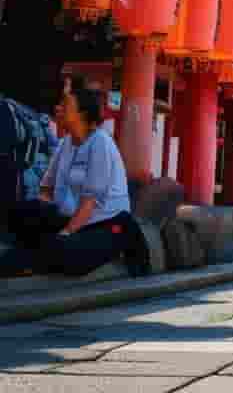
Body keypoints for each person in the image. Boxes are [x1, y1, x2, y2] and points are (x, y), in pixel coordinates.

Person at [0, 79, 133, 277]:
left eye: (66, 106)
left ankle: (22, 262)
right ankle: (27, 256)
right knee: (21, 212)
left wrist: (65, 233)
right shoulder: (65, 144)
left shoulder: (100, 144)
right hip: (72, 219)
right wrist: (40, 216)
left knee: (63, 248)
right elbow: (46, 189)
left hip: (105, 226)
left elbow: (89, 204)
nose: (59, 109)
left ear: (82, 114)